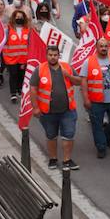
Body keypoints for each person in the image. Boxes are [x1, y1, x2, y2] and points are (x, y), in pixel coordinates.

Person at [35, 42, 81, 171]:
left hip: (68, 111)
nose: (53, 57)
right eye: (50, 55)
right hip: (47, 112)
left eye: (55, 55)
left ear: (59, 56)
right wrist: (35, 107)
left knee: (69, 135)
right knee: (51, 135)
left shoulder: (67, 67)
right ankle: (53, 159)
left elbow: (79, 82)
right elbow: (33, 89)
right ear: (46, 55)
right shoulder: (40, 69)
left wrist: (69, 75)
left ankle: (67, 160)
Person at [84, 37, 110, 159]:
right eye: (101, 46)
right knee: (97, 124)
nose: (103, 48)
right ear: (96, 48)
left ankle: (106, 137)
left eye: (105, 46)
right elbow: (83, 80)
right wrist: (86, 99)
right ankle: (101, 147)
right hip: (97, 100)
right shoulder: (89, 61)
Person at [2, 8, 32, 101]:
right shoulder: (8, 29)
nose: (19, 18)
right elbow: (3, 41)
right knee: (13, 74)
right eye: (17, 17)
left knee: (21, 75)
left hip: (23, 58)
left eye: (21, 17)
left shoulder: (28, 30)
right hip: (10, 58)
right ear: (14, 18)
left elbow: (30, 43)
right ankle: (13, 93)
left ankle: (19, 89)